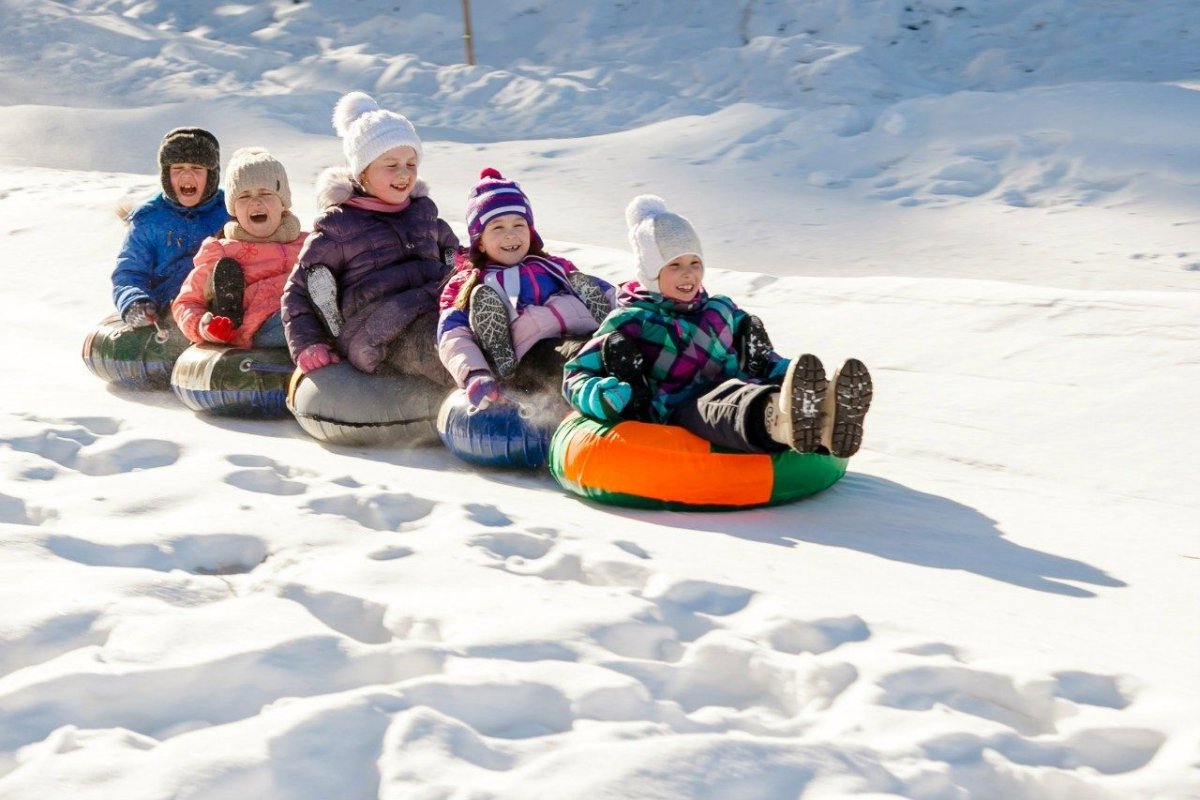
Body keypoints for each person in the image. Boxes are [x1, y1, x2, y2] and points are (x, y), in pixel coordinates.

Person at [562, 195, 873, 458]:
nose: (688, 275)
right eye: (675, 265)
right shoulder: (630, 320)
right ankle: (782, 422)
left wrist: (787, 372)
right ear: (650, 273)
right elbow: (576, 371)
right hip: (678, 405)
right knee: (724, 407)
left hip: (739, 383)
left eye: (694, 263)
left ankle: (826, 419)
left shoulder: (721, 309)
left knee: (749, 390)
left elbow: (762, 357)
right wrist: (596, 393)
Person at [281, 92, 457, 382]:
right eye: (391, 165)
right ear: (362, 172)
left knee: (465, 324)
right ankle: (481, 386)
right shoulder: (340, 225)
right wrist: (307, 344)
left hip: (435, 304)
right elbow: (297, 290)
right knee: (438, 343)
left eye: (411, 164)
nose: (404, 174)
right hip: (381, 328)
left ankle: (526, 372)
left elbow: (457, 254)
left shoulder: (423, 214)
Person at [437, 168, 616, 411]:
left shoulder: (555, 266)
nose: (511, 235)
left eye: (518, 225)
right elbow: (453, 336)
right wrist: (475, 373)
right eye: (497, 227)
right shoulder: (470, 281)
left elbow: (608, 291)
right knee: (576, 357)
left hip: (587, 333)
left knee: (611, 341)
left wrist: (634, 304)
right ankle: (501, 356)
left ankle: (609, 323)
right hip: (533, 352)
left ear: (530, 232)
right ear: (479, 240)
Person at [172, 147, 307, 349]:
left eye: (265, 193)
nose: (256, 202)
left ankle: (328, 320)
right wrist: (204, 326)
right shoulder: (221, 251)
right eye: (244, 197)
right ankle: (226, 310)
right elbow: (187, 302)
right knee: (294, 319)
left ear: (283, 203)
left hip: (306, 310)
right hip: (260, 327)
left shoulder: (309, 244)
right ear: (234, 209)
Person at [112, 128, 229, 329]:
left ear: (212, 175)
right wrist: (135, 301)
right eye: (177, 169)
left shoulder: (230, 211)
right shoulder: (150, 220)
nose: (187, 174)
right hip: (168, 309)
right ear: (166, 175)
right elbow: (131, 270)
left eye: (196, 168)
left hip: (223, 304)